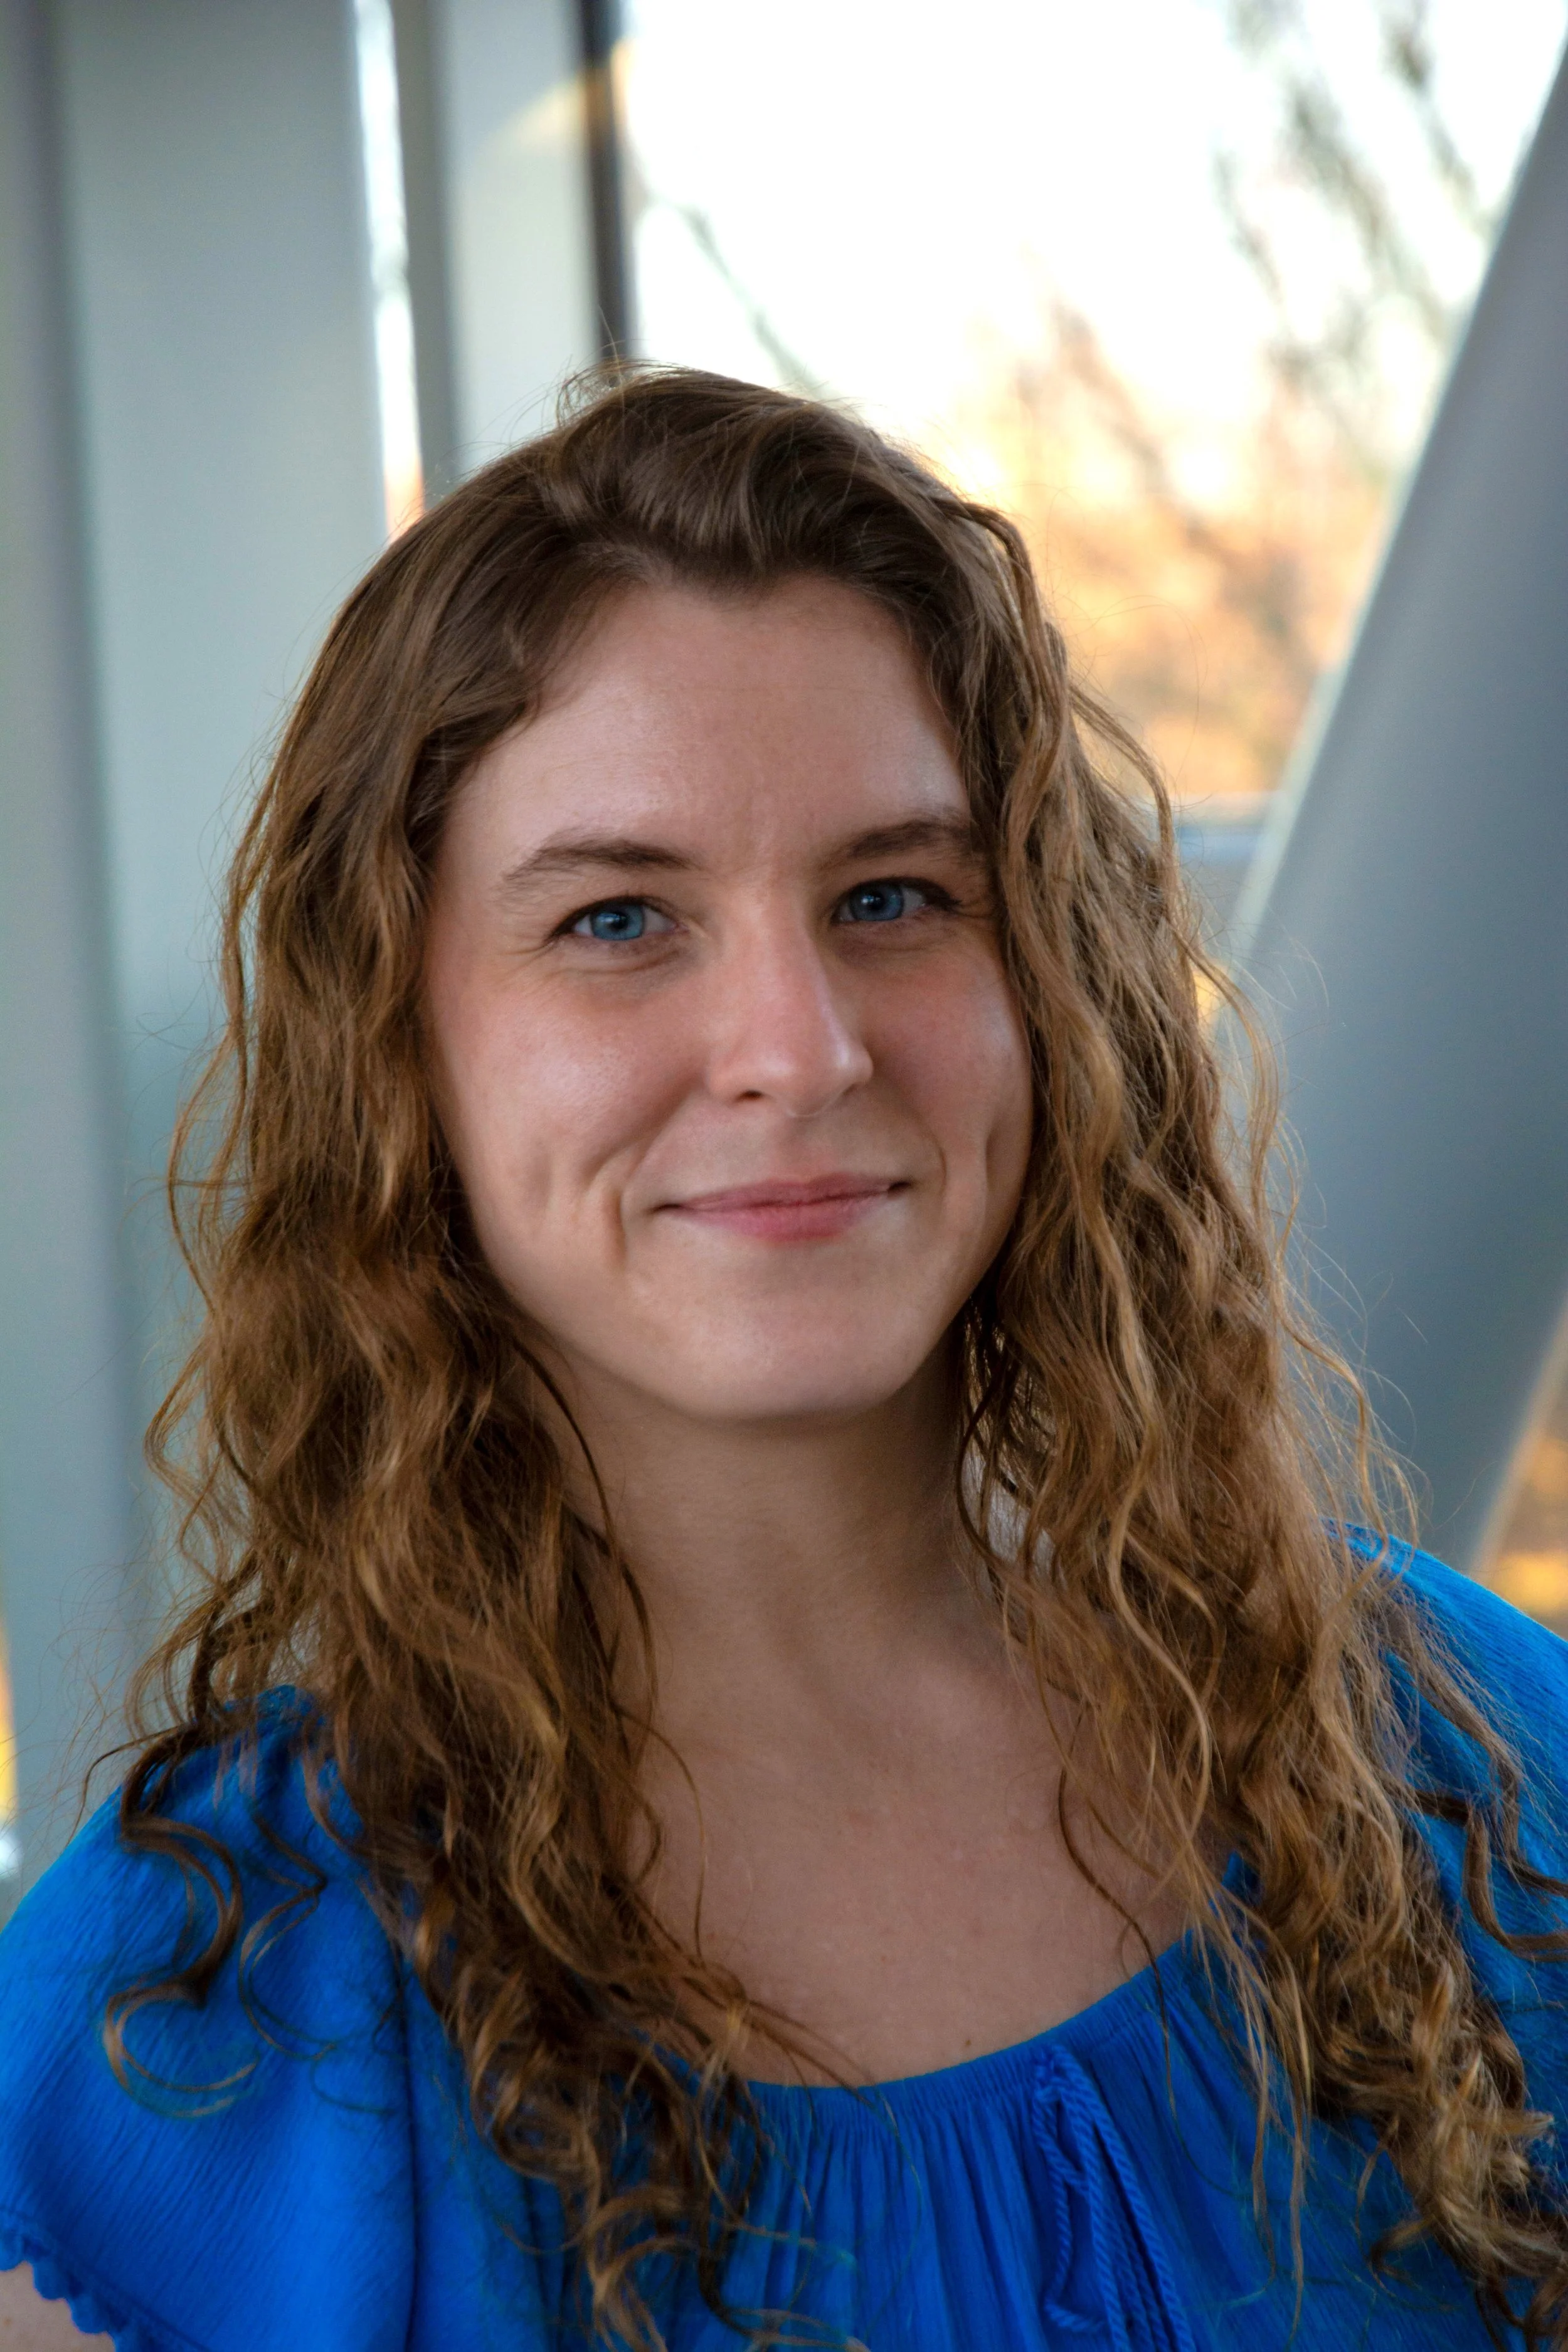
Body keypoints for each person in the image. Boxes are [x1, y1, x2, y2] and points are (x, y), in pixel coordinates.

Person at [3, 368, 1568, 2352]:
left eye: (892, 896)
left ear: (1050, 997)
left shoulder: (1446, 1762)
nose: (801, 1044)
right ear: (402, 1057)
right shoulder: (200, 1999)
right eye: (620, 917)